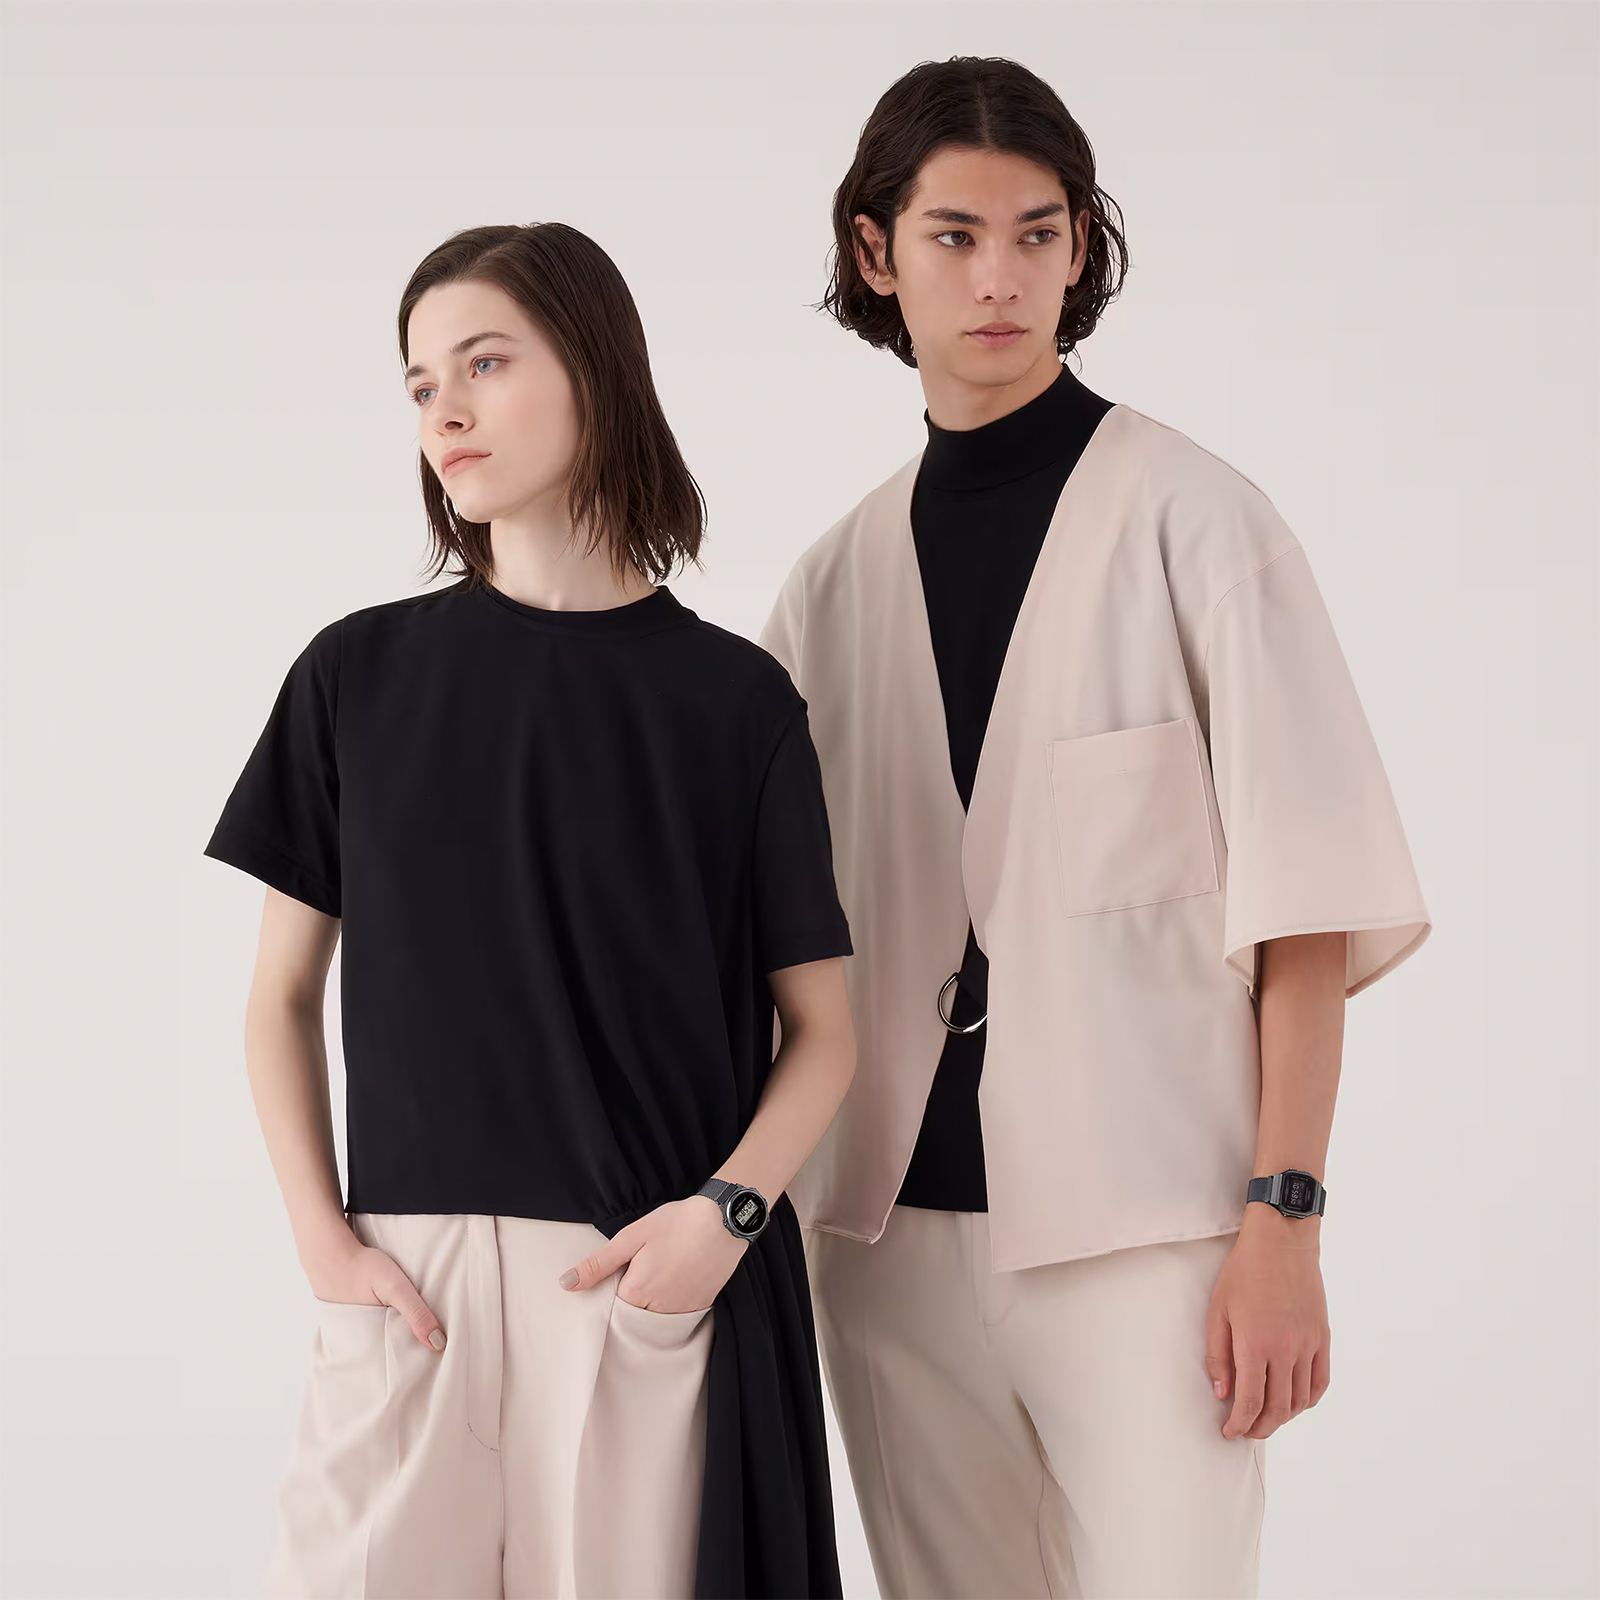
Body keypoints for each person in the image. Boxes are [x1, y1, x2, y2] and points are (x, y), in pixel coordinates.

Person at [759, 57, 1431, 1599]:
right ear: (876, 251)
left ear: (1080, 247)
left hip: (1151, 1241)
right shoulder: (828, 588)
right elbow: (764, 939)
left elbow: (1307, 910)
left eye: (1038, 234)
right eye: (954, 236)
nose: (1001, 279)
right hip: (884, 1245)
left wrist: (1285, 1223)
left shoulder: (1200, 521)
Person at [204, 222, 854, 1599]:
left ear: (595, 370)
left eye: (484, 363)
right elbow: (277, 998)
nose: (443, 408)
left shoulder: (736, 704)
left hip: (632, 1271)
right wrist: (324, 1241)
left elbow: (826, 1030)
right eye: (420, 381)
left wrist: (722, 1220)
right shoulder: (354, 677)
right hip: (406, 1284)